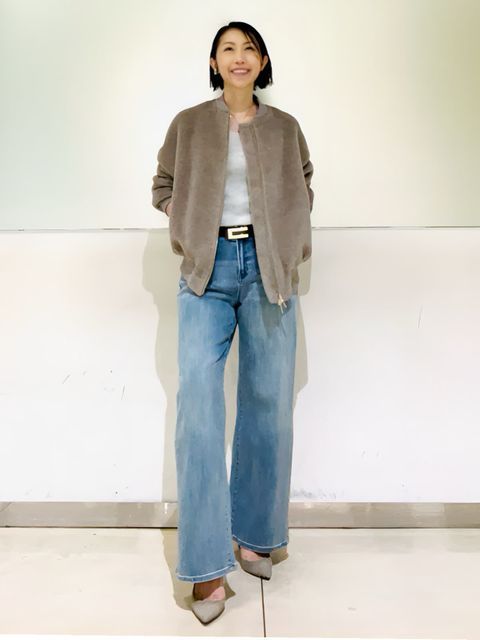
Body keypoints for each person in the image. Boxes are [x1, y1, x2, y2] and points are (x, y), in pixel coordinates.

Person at [152, 21, 314, 624]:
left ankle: (256, 535)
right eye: (228, 49)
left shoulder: (285, 128)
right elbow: (163, 184)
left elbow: (304, 183)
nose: (239, 57)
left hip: (268, 270)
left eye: (249, 49)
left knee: (269, 402)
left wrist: (289, 238)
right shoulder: (189, 123)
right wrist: (187, 223)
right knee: (199, 407)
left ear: (262, 61)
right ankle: (205, 567)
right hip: (207, 272)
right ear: (214, 62)